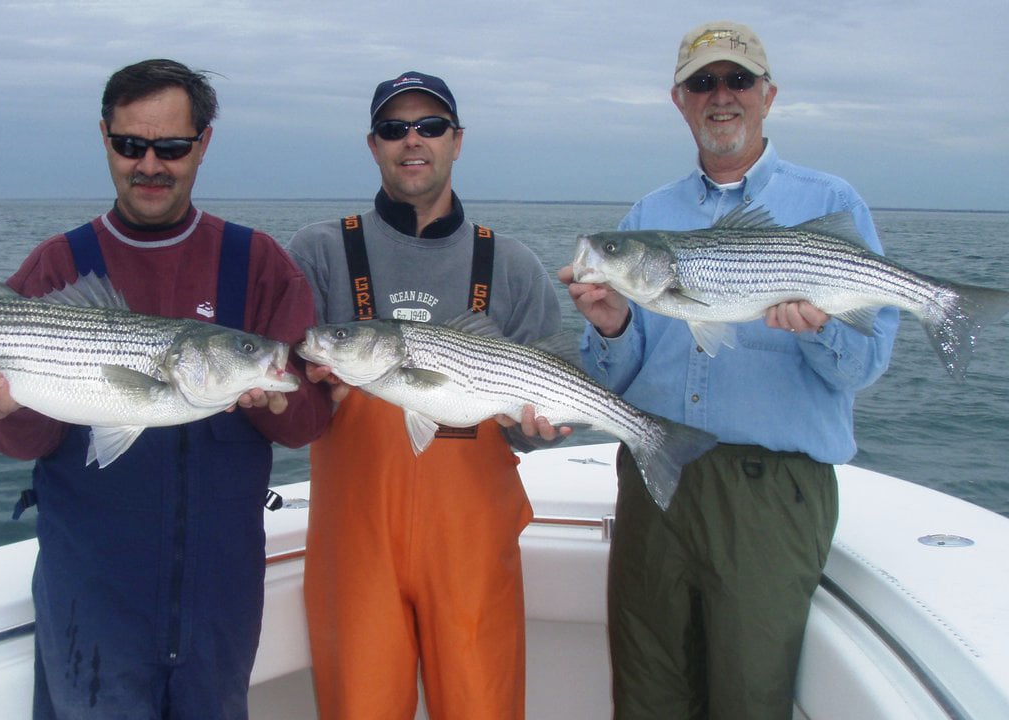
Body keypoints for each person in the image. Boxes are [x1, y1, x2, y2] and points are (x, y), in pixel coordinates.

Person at [0, 59, 332, 719]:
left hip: (220, 591)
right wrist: (1, 412)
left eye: (171, 147)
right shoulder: (58, 264)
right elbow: (27, 441)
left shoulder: (258, 262)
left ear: (203, 144)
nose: (149, 164)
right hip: (89, 594)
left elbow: (307, 422)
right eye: (131, 145)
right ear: (105, 139)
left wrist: (280, 402)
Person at [558, 21, 900, 719]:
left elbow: (862, 367)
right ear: (679, 101)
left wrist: (820, 329)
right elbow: (615, 381)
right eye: (703, 83)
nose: (722, 96)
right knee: (646, 693)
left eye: (737, 80)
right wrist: (611, 327)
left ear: (768, 95)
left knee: (749, 699)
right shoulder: (650, 217)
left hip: (769, 497)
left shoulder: (832, 206)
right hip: (656, 480)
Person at [287, 71, 565, 720]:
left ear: (457, 140)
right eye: (394, 129)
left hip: (471, 550)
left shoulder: (515, 266)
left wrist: (541, 425)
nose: (413, 141)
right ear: (373, 144)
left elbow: (529, 422)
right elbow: (287, 406)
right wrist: (310, 392)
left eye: (430, 127)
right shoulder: (320, 252)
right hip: (355, 553)